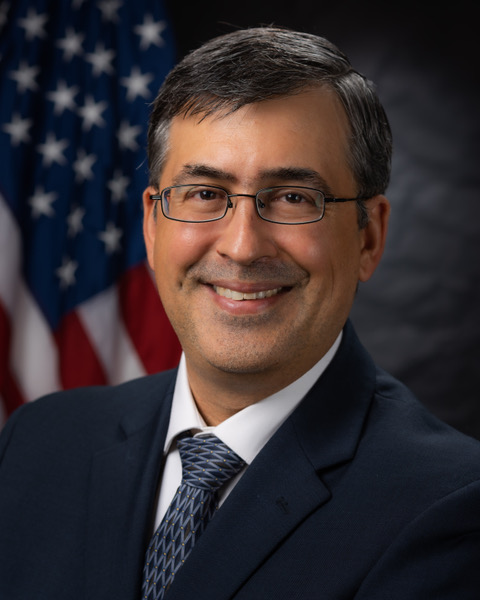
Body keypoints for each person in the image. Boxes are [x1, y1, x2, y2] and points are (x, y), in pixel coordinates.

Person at [1, 27, 479, 600]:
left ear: (369, 238)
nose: (242, 247)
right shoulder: (37, 443)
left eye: (294, 198)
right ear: (152, 227)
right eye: (205, 193)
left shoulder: (450, 506)